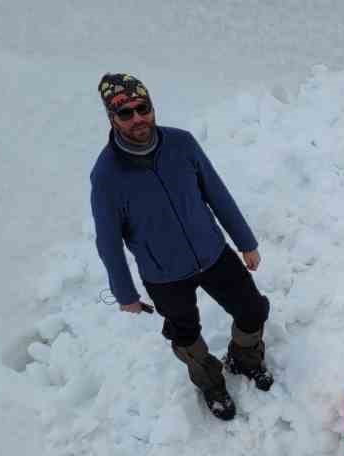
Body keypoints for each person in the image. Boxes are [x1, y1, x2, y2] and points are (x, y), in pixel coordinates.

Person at [89, 73, 273, 421]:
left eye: (142, 108)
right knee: (185, 334)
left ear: (152, 106)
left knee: (253, 311)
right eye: (125, 113)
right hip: (164, 275)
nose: (137, 118)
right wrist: (124, 292)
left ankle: (245, 358)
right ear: (112, 119)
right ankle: (210, 382)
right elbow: (108, 241)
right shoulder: (106, 176)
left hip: (213, 253)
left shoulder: (182, 144)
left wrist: (245, 242)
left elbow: (216, 193)